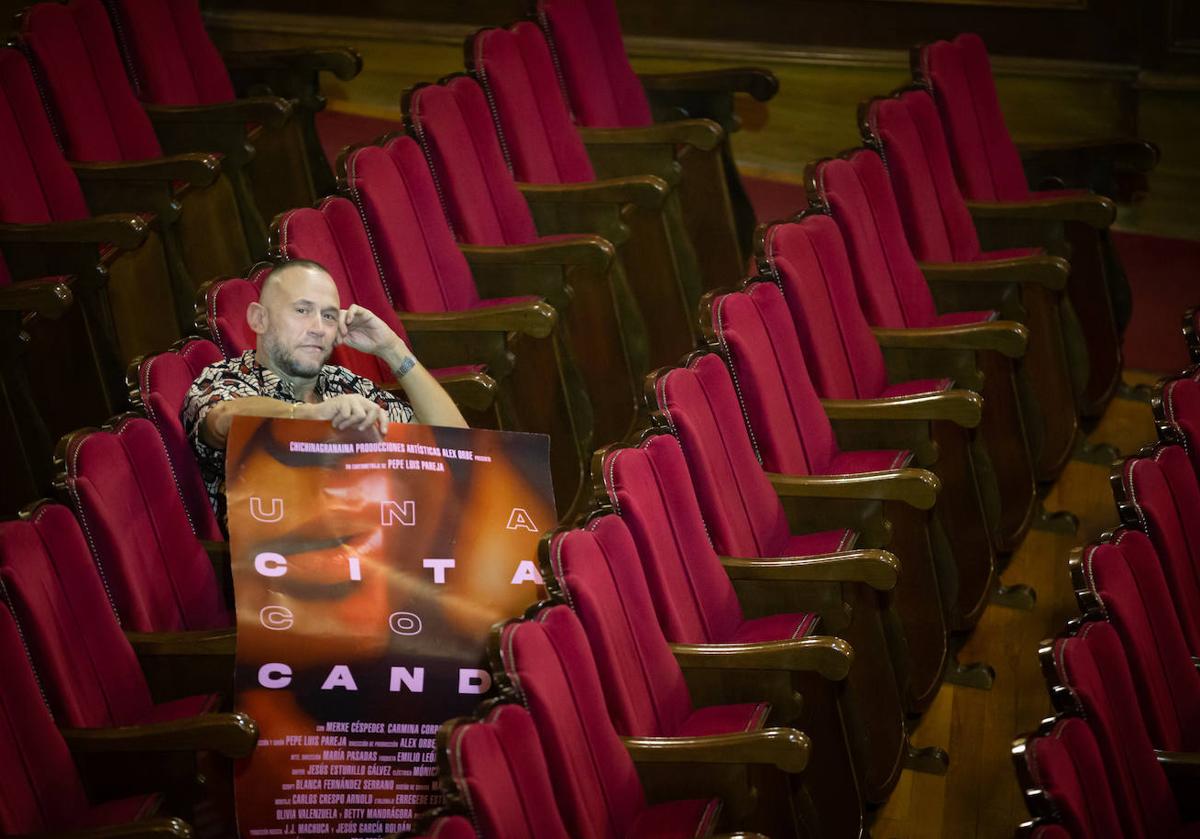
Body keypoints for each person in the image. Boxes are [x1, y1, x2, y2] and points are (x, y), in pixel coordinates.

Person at [183, 259, 467, 525]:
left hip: (378, 550)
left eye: (329, 316)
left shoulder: (344, 384)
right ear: (259, 319)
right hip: (280, 565)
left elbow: (460, 449)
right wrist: (309, 416)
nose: (318, 328)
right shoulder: (227, 377)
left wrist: (392, 350)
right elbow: (223, 420)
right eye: (302, 310)